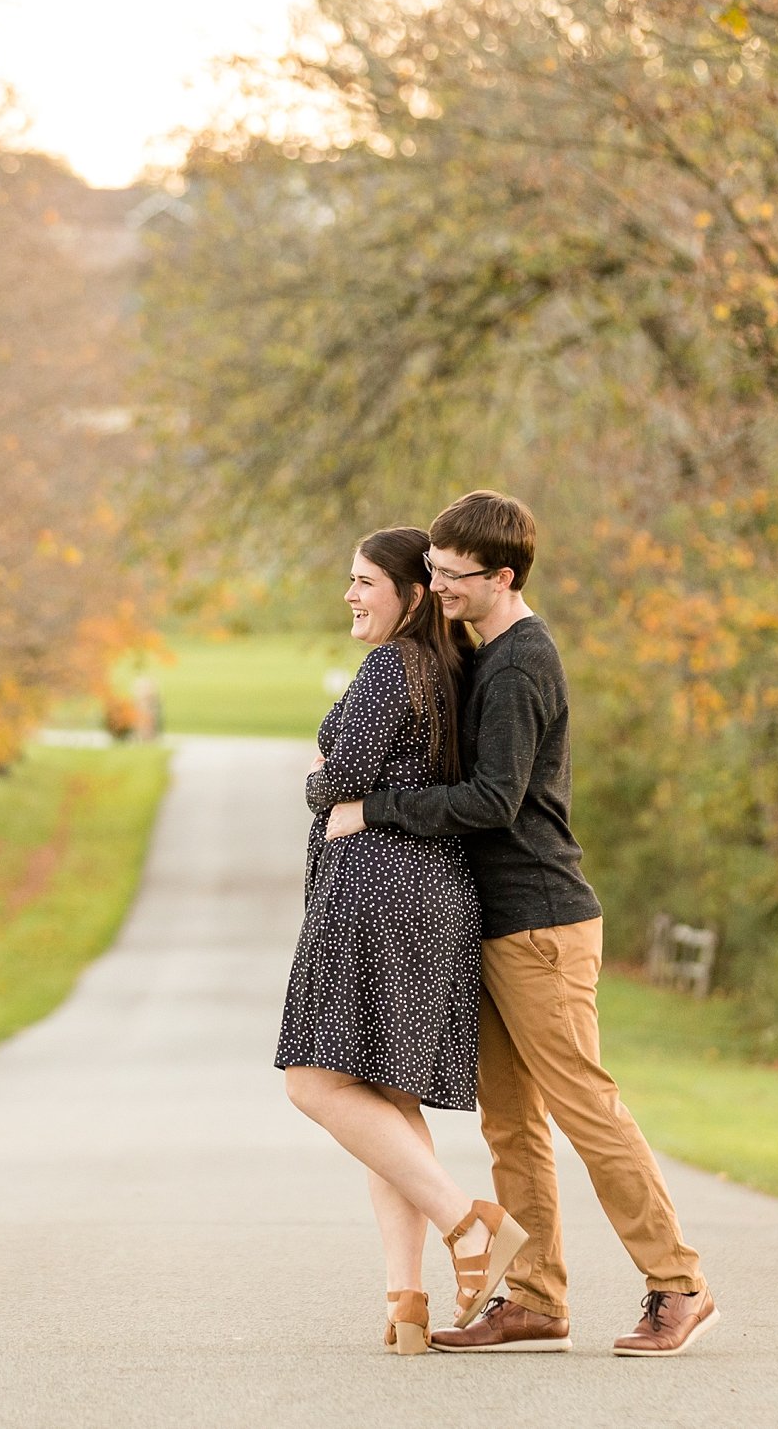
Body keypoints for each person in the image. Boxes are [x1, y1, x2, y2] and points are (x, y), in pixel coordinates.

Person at [326, 490, 719, 1358]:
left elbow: (494, 799)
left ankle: (679, 1282)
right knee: (509, 1122)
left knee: (587, 1108)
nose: (438, 587)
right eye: (429, 570)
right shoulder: (484, 650)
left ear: (503, 575)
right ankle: (537, 1295)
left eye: (454, 576)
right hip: (494, 924)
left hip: (541, 921)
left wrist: (376, 805)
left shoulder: (520, 663)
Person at [277, 526, 528, 1356]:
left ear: (411, 595)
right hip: (434, 895)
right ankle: (407, 1300)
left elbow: (336, 781)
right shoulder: (446, 669)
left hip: (378, 893)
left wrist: (321, 775)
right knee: (389, 1099)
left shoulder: (392, 667)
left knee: (314, 1083)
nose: (350, 595)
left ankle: (470, 1224)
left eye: (363, 582)